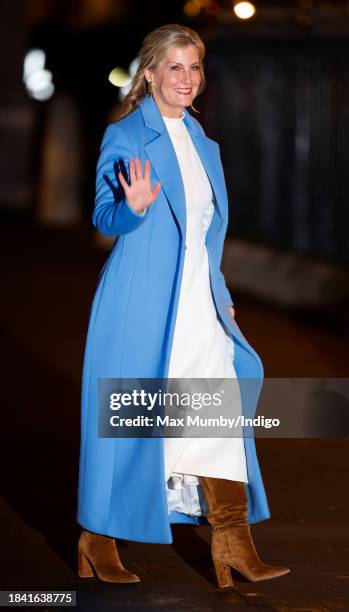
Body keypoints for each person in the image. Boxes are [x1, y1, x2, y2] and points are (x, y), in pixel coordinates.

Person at [76, 23, 290, 588]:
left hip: (200, 301)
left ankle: (233, 542)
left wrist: (219, 293)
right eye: (175, 67)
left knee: (217, 413)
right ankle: (97, 539)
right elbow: (105, 217)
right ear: (149, 73)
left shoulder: (203, 143)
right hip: (142, 302)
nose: (187, 78)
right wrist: (133, 207)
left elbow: (204, 236)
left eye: (194, 67)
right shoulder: (125, 136)